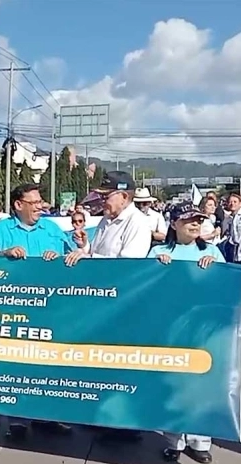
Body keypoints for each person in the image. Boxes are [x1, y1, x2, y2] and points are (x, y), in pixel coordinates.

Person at [0, 183, 72, 441]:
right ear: (18, 205)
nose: (41, 207)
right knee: (16, 364)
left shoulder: (53, 229)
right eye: (34, 202)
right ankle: (18, 419)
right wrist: (2, 255)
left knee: (49, 364)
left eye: (41, 202)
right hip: (14, 312)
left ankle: (48, 417)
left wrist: (65, 256)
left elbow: (74, 261)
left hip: (51, 311)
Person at [64, 171, 151, 443]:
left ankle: (126, 424)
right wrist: (85, 248)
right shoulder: (106, 220)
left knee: (121, 364)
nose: (102, 201)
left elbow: (126, 266)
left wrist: (88, 259)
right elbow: (101, 255)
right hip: (101, 302)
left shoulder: (137, 223)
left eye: (106, 196)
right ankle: (104, 417)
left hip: (122, 304)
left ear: (124, 196)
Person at [148, 201, 224, 464]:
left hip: (204, 330)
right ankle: (173, 441)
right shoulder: (157, 251)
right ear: (173, 223)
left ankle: (200, 441)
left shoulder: (214, 251)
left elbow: (227, 285)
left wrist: (217, 267)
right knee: (172, 385)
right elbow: (143, 286)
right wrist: (155, 267)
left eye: (199, 220)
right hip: (170, 328)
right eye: (189, 219)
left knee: (203, 385)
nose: (195, 224)